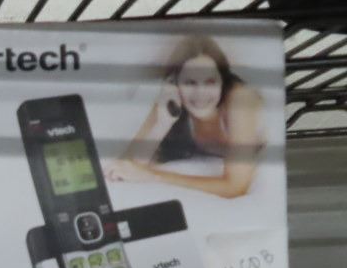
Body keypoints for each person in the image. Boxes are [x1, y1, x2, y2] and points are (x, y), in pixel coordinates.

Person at [106, 35, 265, 198]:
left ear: (222, 82)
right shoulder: (171, 96)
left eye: (210, 82)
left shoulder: (241, 98)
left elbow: (235, 186)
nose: (200, 93)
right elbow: (126, 167)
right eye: (190, 82)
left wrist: (153, 176)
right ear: (175, 84)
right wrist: (162, 124)